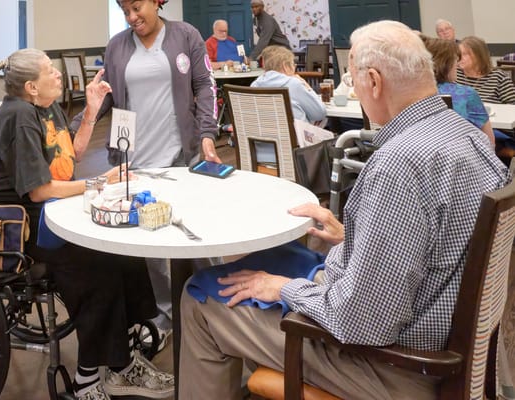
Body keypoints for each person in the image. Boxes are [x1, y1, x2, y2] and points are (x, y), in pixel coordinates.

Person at [179, 20, 509, 400]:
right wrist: (354, 235)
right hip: (450, 348)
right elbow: (440, 243)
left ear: (374, 81)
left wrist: (285, 288)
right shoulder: (465, 135)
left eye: (353, 81)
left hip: (394, 368)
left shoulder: (400, 163)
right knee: (277, 262)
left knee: (201, 299)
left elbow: (363, 321)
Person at [0, 48, 174, 400]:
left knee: (123, 249)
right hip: (20, 226)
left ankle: (122, 361)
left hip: (50, 212)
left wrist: (91, 110)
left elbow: (69, 157)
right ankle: (88, 376)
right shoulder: (19, 116)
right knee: (96, 264)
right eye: (49, 71)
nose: (58, 75)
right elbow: (40, 191)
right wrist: (100, 183)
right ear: (31, 87)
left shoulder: (44, 106)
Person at [81, 0, 221, 349]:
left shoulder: (185, 35)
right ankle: (166, 315)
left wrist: (207, 133)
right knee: (151, 244)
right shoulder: (117, 45)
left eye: (137, 7)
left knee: (197, 233)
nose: (132, 18)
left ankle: (218, 306)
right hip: (134, 160)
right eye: (125, 11)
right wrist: (74, 133)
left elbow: (204, 86)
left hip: (180, 154)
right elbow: (106, 99)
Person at [422, 36, 495, 145]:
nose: (458, 64)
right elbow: (489, 142)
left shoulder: (415, 93)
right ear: (447, 63)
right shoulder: (467, 94)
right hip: (462, 154)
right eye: (455, 60)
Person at [250, 45, 326, 123]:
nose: (294, 68)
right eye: (293, 64)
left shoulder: (255, 85)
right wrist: (307, 87)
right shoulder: (294, 84)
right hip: (297, 134)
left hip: (266, 133)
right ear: (285, 66)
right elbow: (320, 113)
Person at [457, 36, 515, 104]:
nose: (459, 57)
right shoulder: (454, 75)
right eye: (459, 54)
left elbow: (512, 106)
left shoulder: (499, 77)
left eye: (465, 54)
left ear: (479, 56)